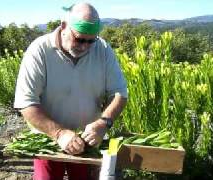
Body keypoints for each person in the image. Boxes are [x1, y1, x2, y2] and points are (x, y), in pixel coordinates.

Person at [14, 2, 128, 180]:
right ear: (64, 26)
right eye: (79, 39)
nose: (85, 46)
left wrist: (104, 122)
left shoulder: (103, 49)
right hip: (48, 142)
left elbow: (120, 93)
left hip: (89, 142)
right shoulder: (39, 50)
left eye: (91, 41)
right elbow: (26, 103)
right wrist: (59, 133)